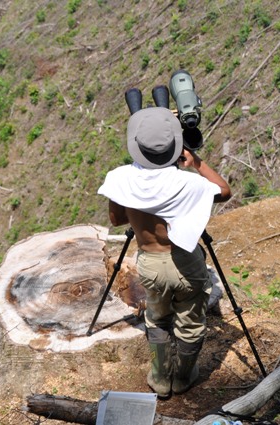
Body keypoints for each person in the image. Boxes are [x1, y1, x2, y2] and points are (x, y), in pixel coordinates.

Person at [98, 106, 231, 398]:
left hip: (151, 263)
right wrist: (195, 161)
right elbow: (224, 190)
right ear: (174, 146)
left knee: (157, 318)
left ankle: (160, 377)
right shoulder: (190, 182)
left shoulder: (120, 178)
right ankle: (183, 377)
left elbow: (117, 220)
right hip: (186, 262)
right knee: (191, 322)